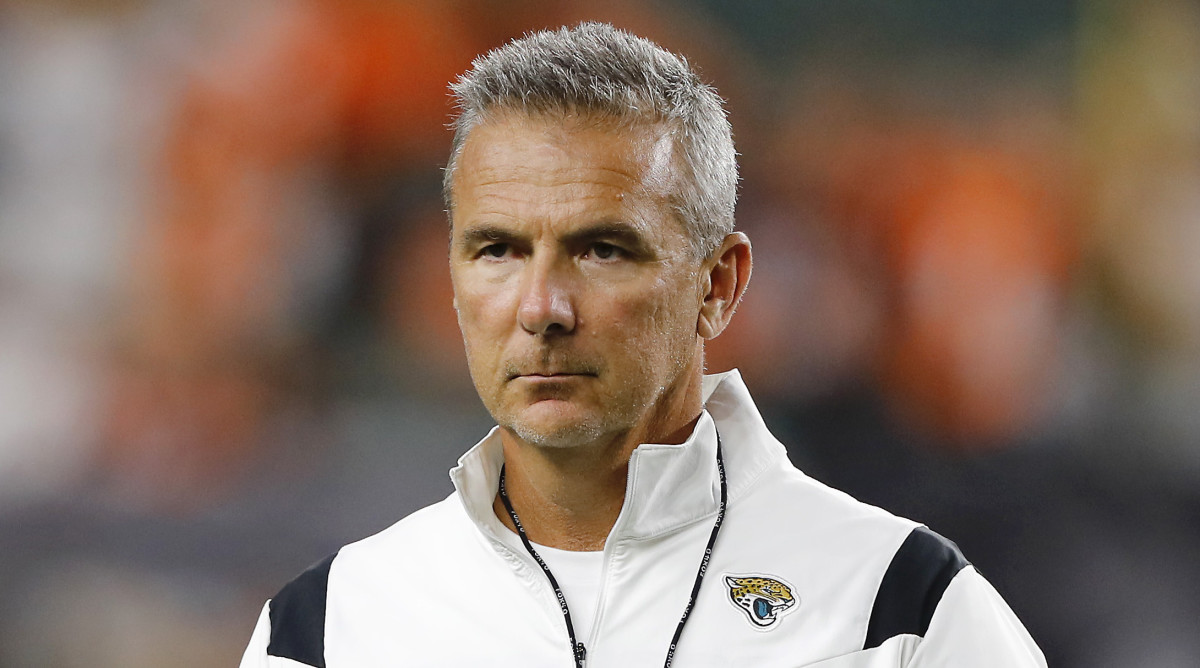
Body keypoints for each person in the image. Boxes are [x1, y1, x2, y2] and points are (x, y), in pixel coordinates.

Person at [239, 22, 1046, 667]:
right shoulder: (329, 626)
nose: (543, 308)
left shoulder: (894, 607)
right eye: (498, 251)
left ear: (718, 285)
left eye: (603, 250)